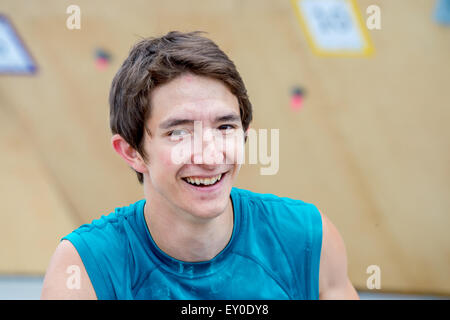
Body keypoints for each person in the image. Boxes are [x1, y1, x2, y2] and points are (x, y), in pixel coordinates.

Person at [41, 31, 359, 300]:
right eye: (179, 132)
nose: (209, 157)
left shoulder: (307, 238)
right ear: (131, 151)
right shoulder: (84, 267)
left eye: (225, 128)